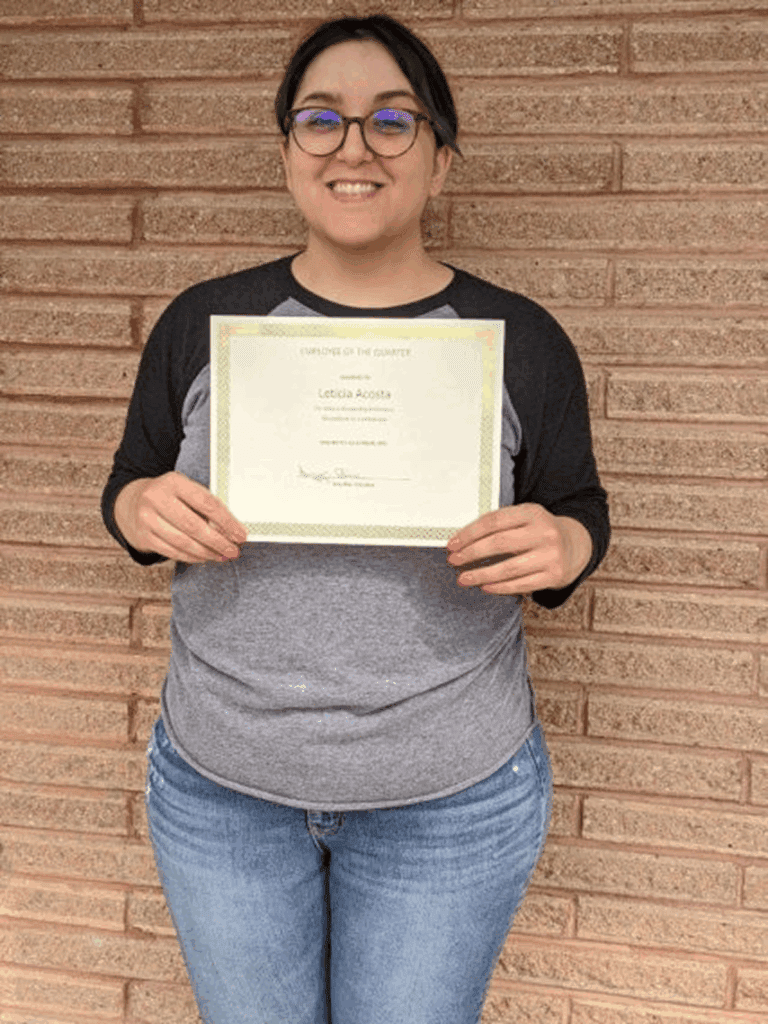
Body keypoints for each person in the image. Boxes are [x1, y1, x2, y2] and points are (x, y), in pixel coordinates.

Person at [102, 14, 609, 1024]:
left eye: (392, 121)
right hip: (222, 789)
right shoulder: (205, 323)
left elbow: (577, 512)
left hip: (449, 798)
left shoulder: (519, 338)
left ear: (442, 159)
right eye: (320, 119)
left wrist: (563, 543)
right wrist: (142, 508)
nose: (353, 147)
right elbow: (128, 487)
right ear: (288, 151)